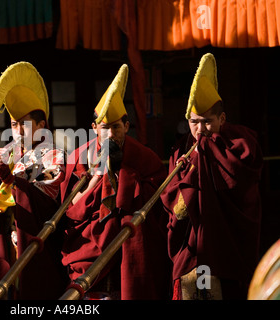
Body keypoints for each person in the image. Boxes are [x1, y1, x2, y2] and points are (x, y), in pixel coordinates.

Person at [60, 64, 171, 300]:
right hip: (88, 252)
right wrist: (97, 181)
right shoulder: (79, 157)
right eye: (105, 128)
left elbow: (159, 205)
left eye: (117, 127)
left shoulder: (143, 158)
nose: (111, 135)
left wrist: (126, 178)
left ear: (127, 126)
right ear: (94, 129)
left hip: (131, 249)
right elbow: (70, 209)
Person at [160, 53, 263, 300]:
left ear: (222, 119)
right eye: (195, 122)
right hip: (192, 248)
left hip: (225, 247)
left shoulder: (239, 146)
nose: (201, 129)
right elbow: (170, 196)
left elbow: (241, 187)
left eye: (208, 122)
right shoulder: (182, 151)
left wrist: (205, 155)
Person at [0, 61, 69, 299]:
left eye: (24, 125)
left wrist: (12, 180)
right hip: (5, 240)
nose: (18, 132)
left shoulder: (54, 155)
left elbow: (47, 197)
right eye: (14, 125)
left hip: (33, 242)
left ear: (41, 125)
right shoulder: (7, 152)